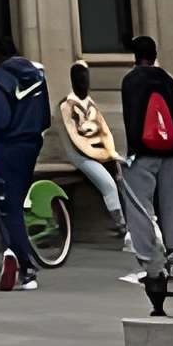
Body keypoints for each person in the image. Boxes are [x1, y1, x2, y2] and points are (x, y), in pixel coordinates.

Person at [118, 34, 173, 285]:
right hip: (170, 153)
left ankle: (152, 265)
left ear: (135, 57)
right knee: (171, 206)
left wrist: (132, 151)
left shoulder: (131, 81)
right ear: (155, 55)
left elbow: (131, 118)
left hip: (144, 152)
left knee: (140, 208)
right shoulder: (170, 82)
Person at [0, 33, 50, 292]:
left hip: (10, 145)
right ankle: (13, 249)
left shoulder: (0, 77)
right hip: (32, 143)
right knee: (18, 202)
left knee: (9, 207)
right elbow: (45, 116)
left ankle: (26, 267)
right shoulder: (37, 74)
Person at [56, 63, 127, 231]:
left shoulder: (89, 102)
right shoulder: (66, 105)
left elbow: (103, 130)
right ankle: (121, 224)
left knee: (122, 177)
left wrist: (109, 152)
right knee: (108, 185)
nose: (84, 82)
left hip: (98, 151)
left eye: (85, 78)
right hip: (80, 155)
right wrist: (100, 154)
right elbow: (76, 139)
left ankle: (131, 218)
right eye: (80, 79)